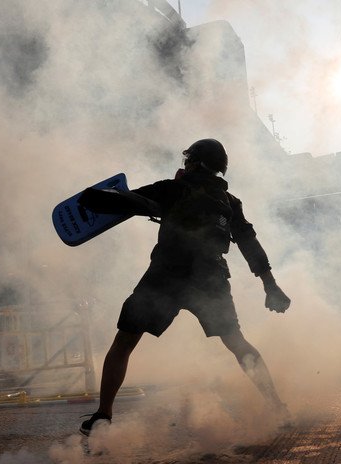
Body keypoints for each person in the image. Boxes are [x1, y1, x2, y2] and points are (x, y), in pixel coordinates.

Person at [76, 138, 292, 436]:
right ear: (219, 169)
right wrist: (271, 286)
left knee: (125, 342)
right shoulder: (230, 203)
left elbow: (132, 202)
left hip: (166, 276)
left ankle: (103, 416)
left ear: (191, 162)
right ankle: (278, 407)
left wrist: (92, 197)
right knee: (237, 343)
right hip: (210, 279)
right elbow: (249, 243)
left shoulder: (174, 188)